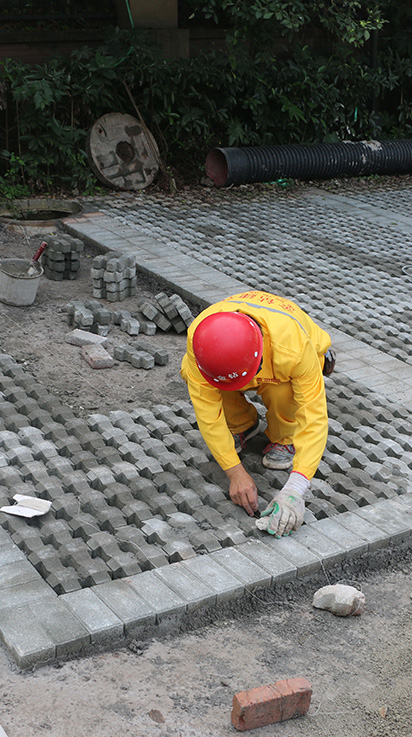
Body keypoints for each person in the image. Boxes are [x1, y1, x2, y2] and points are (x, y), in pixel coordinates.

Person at [180, 290, 335, 537]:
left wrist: (295, 488)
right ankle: (243, 424)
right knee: (204, 378)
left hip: (292, 355)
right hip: (241, 360)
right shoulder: (200, 340)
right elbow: (207, 412)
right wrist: (235, 472)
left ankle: (284, 438)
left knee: (282, 391)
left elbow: (314, 417)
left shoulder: (294, 348)